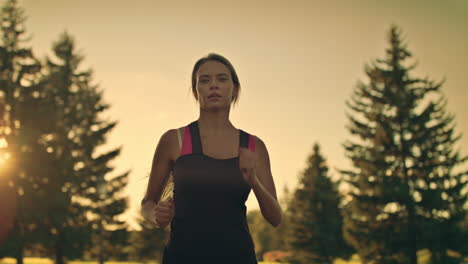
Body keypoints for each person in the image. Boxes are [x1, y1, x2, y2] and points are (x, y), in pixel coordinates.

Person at [140, 53, 282, 263]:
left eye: (222, 79)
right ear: (196, 92)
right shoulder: (174, 140)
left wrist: (253, 180)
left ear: (234, 89)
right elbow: (147, 203)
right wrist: (155, 216)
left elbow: (275, 218)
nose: (213, 85)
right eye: (204, 81)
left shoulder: (253, 146)